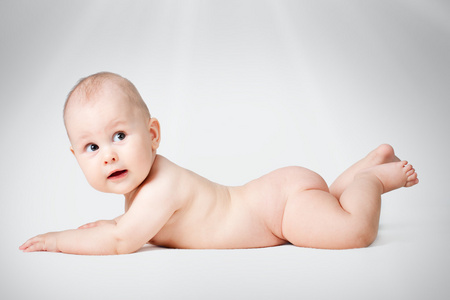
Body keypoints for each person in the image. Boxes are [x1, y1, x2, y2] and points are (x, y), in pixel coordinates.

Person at [19, 72, 419, 255]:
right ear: (75, 157)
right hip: (281, 194)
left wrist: (58, 240)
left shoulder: (161, 186)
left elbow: (123, 240)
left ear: (153, 134)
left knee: (352, 230)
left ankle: (374, 178)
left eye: (120, 136)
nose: (108, 154)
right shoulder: (145, 191)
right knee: (328, 202)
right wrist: (106, 224)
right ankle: (370, 160)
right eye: (91, 147)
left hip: (279, 213)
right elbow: (125, 228)